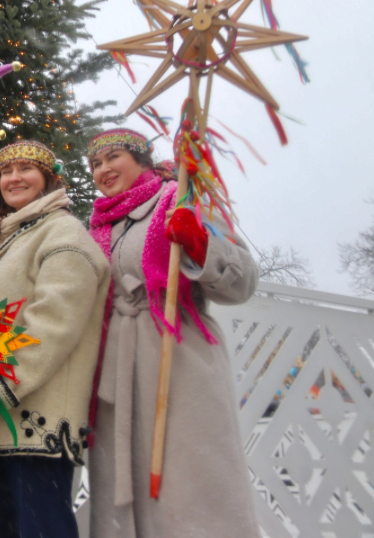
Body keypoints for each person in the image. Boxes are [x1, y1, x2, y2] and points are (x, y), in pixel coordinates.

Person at [86, 128, 261, 538]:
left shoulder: (180, 201)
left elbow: (243, 282)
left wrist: (200, 242)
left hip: (177, 360)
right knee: (120, 488)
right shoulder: (97, 226)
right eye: (95, 164)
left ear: (143, 160)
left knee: (191, 482)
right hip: (115, 370)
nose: (103, 169)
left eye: (114, 157)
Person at [0, 140, 110, 538]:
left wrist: (0, 383)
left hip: (37, 421)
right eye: (6, 172)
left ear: (48, 179)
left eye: (26, 169)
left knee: (40, 528)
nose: (14, 178)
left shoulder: (63, 234)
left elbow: (53, 323)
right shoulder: (2, 239)